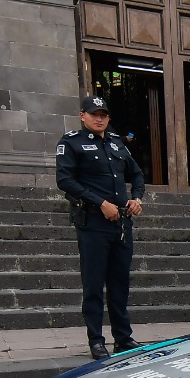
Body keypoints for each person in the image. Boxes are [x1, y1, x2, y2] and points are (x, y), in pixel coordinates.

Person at [56, 94, 146, 360]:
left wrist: (137, 197)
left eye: (103, 114)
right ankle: (96, 340)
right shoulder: (72, 143)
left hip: (121, 223)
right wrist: (100, 202)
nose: (99, 118)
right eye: (94, 114)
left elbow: (137, 174)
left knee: (120, 284)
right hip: (93, 223)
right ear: (82, 116)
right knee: (94, 284)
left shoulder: (117, 143)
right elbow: (64, 180)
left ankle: (123, 338)